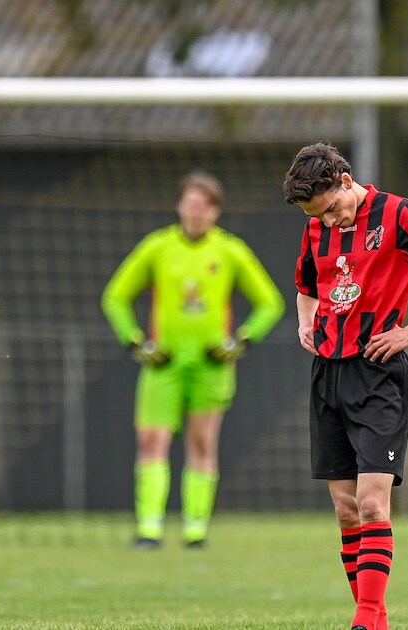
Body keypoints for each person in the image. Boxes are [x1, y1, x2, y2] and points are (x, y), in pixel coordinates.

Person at [283, 142, 408, 630]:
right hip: (327, 373)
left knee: (372, 502)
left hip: (378, 373)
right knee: (347, 511)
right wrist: (306, 323)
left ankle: (367, 620)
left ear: (345, 182)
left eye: (330, 210)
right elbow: (307, 285)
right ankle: (374, 617)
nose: (328, 223)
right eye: (316, 216)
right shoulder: (314, 228)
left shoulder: (399, 214)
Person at [102, 170, 285, 549]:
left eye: (204, 206)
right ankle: (149, 529)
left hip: (211, 365)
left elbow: (271, 303)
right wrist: (135, 341)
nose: (196, 213)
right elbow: (115, 296)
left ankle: (195, 530)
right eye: (190, 204)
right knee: (152, 439)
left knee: (202, 444)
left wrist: (241, 342)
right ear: (179, 206)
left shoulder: (230, 251)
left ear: (216, 211)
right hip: (163, 364)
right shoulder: (157, 247)